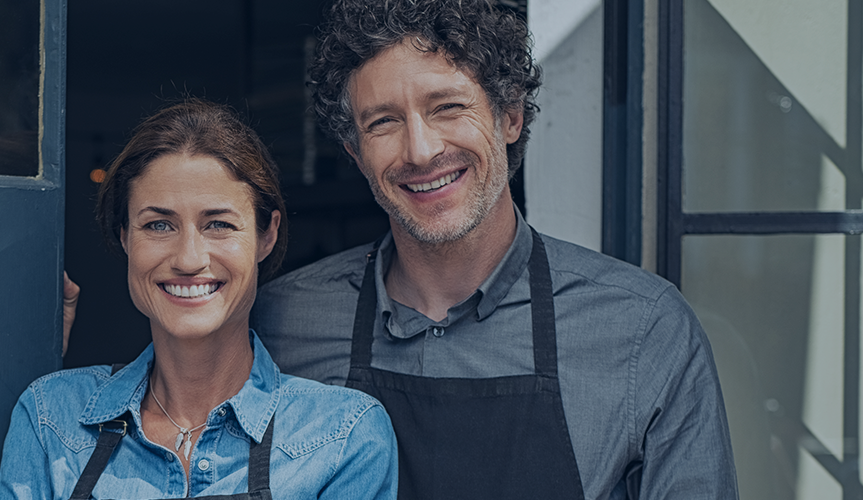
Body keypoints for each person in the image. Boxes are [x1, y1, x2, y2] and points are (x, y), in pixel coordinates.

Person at [251, 1, 738, 498]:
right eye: (383, 122)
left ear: (509, 115)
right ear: (356, 153)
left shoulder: (642, 331)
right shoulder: (281, 325)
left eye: (447, 107)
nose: (421, 151)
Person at [0, 98, 397, 499]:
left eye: (218, 224)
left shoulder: (342, 436)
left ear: (266, 235)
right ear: (124, 236)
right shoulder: (51, 417)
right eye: (159, 225)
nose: (188, 259)